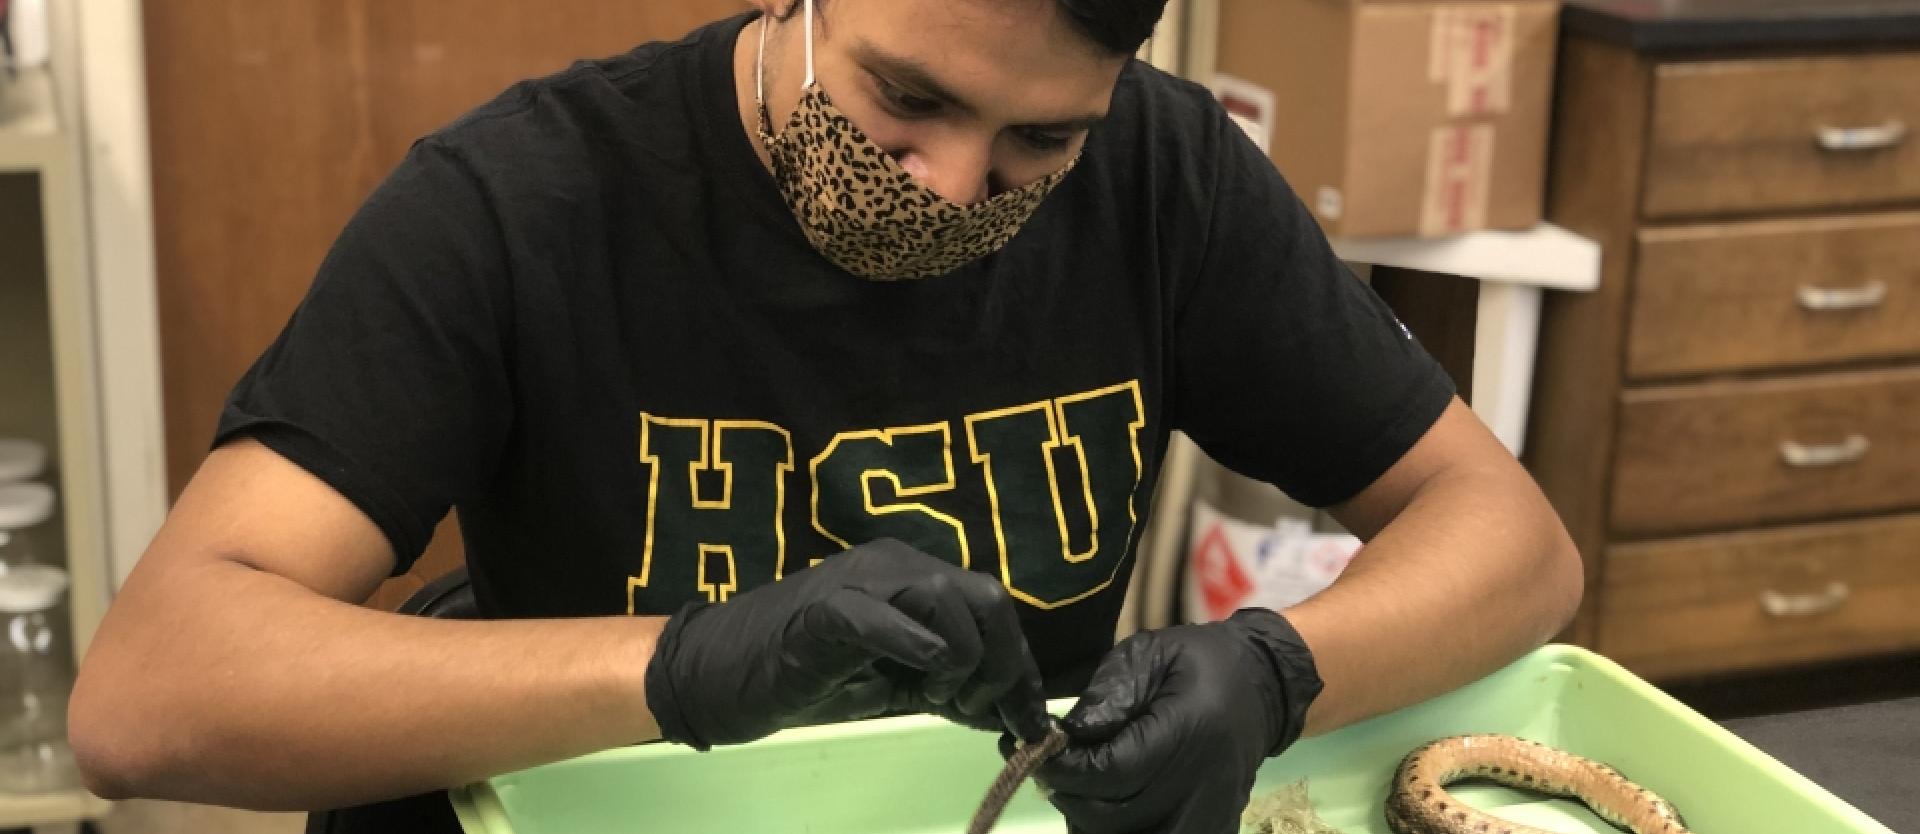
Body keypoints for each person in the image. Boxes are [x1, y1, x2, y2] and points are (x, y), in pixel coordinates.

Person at [69, 1, 1584, 833]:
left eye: (1035, 138)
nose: (946, 182)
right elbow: (145, 697)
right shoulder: (525, 204)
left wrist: (1276, 663)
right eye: (901, 98)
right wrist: (671, 663)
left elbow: (1512, 543)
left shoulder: (1161, 180)